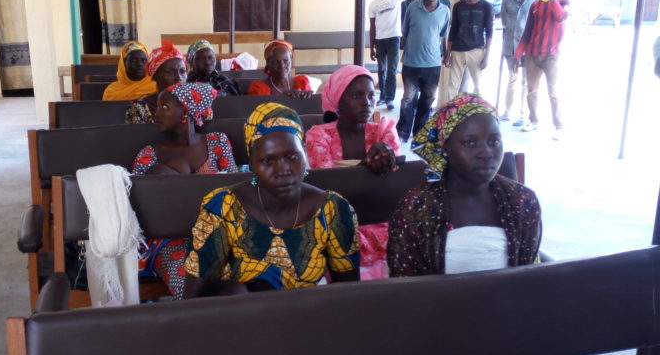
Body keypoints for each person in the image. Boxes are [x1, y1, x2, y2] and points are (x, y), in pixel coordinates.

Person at [183, 102, 360, 297]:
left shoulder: (333, 209)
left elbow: (348, 294)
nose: (282, 170)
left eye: (291, 156)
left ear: (304, 153)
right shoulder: (223, 207)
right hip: (240, 319)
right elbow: (194, 296)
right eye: (267, 160)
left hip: (308, 316)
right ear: (251, 163)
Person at [387, 93, 542, 277]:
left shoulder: (523, 200)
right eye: (470, 143)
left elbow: (529, 276)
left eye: (494, 142)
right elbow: (404, 284)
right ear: (445, 147)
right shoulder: (418, 205)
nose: (486, 153)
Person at [131, 82, 239, 300]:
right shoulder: (150, 154)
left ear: (186, 110)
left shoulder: (217, 142)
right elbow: (138, 205)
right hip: (170, 239)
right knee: (188, 285)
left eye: (164, 107)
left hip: (220, 232)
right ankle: (195, 329)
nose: (156, 113)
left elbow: (236, 188)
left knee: (241, 282)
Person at [305, 65, 401, 280]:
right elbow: (330, 188)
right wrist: (367, 170)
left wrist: (385, 156)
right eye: (357, 95)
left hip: (380, 219)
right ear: (338, 100)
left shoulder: (383, 131)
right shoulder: (319, 136)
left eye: (370, 95)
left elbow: (392, 183)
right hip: (340, 221)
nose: (366, 102)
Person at [514, 0, 570, 140]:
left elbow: (560, 17)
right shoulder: (536, 4)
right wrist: (518, 54)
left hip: (551, 55)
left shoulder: (561, 2)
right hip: (532, 53)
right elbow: (528, 30)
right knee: (531, 90)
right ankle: (534, 120)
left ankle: (558, 125)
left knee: (553, 91)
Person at [396, 0, 451, 144]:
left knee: (427, 99)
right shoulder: (412, 7)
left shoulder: (445, 11)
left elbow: (442, 34)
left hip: (432, 65)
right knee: (407, 98)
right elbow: (405, 32)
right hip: (412, 62)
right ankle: (403, 132)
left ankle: (420, 131)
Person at [439, 0, 494, 106]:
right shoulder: (458, 6)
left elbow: (490, 32)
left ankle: (477, 113)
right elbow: (453, 30)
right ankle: (450, 114)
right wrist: (448, 52)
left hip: (476, 50)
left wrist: (486, 55)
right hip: (458, 50)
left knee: (478, 86)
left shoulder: (486, 6)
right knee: (452, 85)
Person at [500, 0, 540, 126]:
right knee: (512, 80)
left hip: (529, 48)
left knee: (526, 82)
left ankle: (522, 114)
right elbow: (504, 22)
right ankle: (507, 112)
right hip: (511, 46)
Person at [369, 0, 409, 110]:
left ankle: (390, 99)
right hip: (380, 40)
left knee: (392, 70)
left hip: (394, 39)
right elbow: (372, 27)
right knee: (382, 70)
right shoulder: (373, 5)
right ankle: (382, 97)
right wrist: (371, 47)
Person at [123, 41, 188, 124]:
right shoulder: (139, 108)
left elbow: (208, 135)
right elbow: (136, 136)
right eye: (169, 72)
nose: (179, 77)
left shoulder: (197, 102)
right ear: (156, 76)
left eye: (183, 71)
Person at [247, 39, 313, 98]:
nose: (281, 66)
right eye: (275, 62)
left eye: (286, 61)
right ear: (268, 64)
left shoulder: (301, 84)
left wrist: (306, 97)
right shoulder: (259, 89)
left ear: (291, 62)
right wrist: (283, 97)